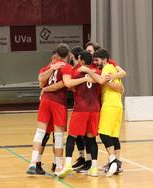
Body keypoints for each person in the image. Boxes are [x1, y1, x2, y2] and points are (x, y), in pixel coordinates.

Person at [27, 43, 73, 175]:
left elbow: (40, 80)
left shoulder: (49, 66)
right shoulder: (67, 67)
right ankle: (58, 167)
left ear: (56, 55)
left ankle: (33, 163)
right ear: (68, 55)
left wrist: (45, 86)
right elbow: (64, 83)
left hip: (45, 101)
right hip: (58, 102)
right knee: (58, 136)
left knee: (40, 132)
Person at [79, 48, 124, 177]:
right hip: (117, 105)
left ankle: (113, 160)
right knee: (113, 135)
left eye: (97, 60)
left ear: (104, 59)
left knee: (103, 133)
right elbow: (121, 88)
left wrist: (88, 71)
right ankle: (117, 164)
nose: (96, 62)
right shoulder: (112, 69)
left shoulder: (107, 68)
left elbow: (100, 81)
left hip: (109, 105)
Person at [58, 50, 101, 178]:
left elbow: (68, 84)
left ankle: (67, 165)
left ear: (82, 60)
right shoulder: (97, 72)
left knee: (72, 137)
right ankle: (94, 168)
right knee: (91, 138)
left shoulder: (77, 72)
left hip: (81, 108)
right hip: (94, 109)